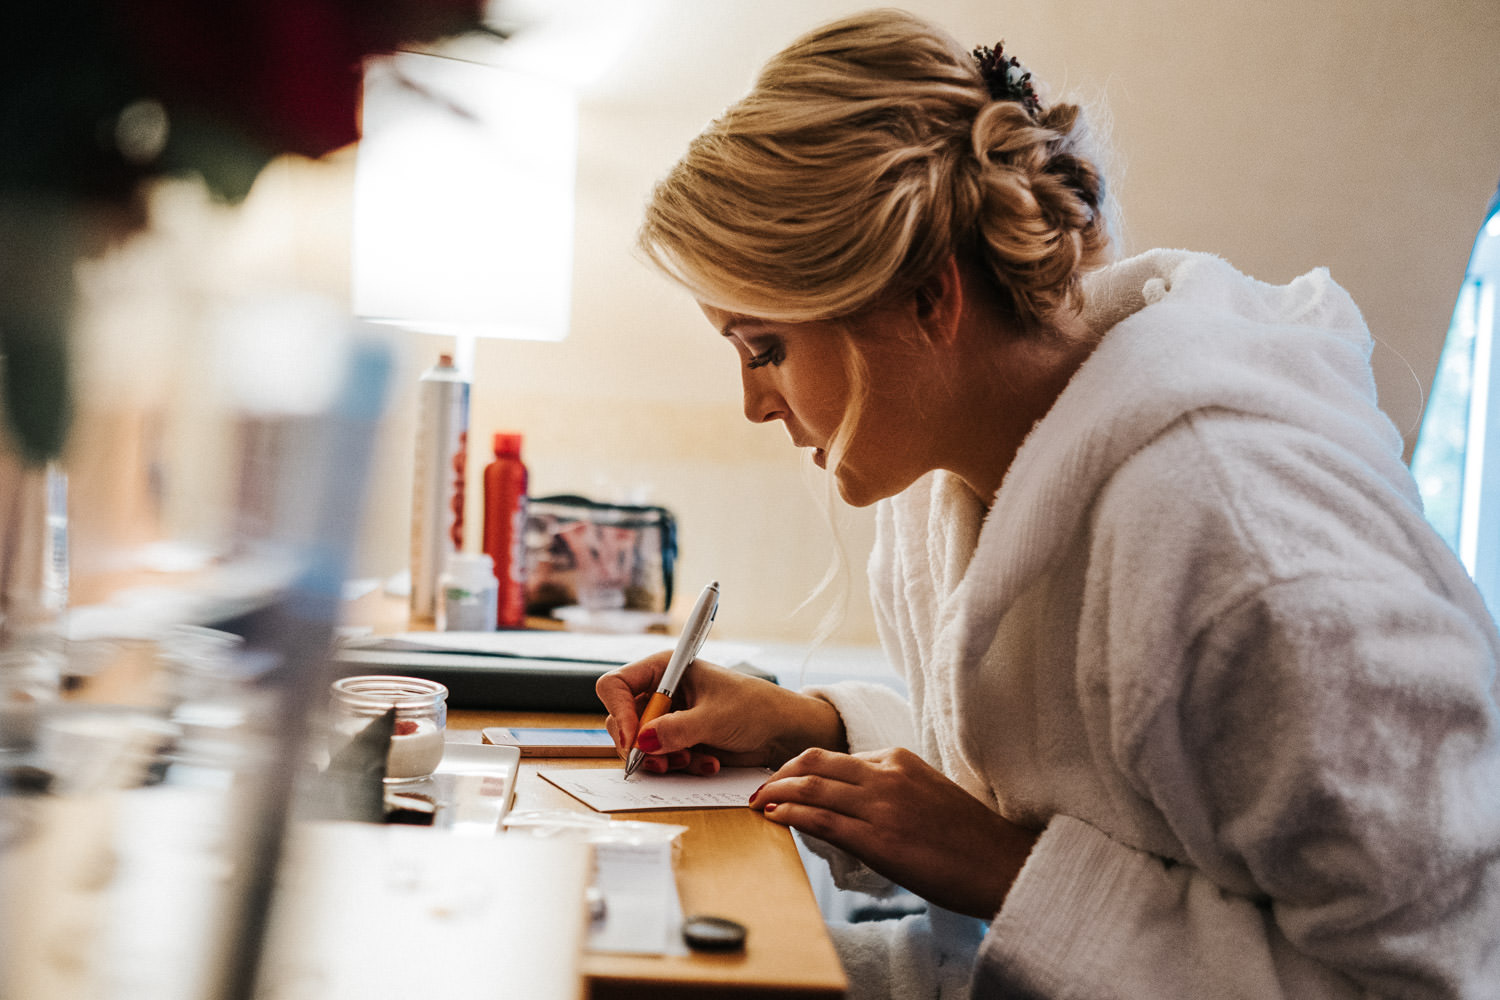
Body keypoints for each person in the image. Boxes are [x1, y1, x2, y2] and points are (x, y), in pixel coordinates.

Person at [596, 9, 1500, 998]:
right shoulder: (961, 472)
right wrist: (810, 727)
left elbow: (1434, 976)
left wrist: (1008, 872)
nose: (752, 404)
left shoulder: (1248, 550)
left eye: (763, 348)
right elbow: (1086, 788)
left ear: (929, 304)